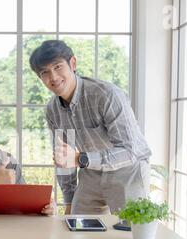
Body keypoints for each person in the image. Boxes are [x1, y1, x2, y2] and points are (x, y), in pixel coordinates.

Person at [29, 40, 152, 216]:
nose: (53, 77)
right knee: (77, 231)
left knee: (128, 234)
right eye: (45, 72)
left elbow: (130, 150)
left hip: (128, 171)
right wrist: (70, 199)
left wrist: (81, 159)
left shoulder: (106, 95)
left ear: (73, 63)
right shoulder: (52, 110)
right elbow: (64, 159)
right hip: (91, 174)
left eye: (58, 67)